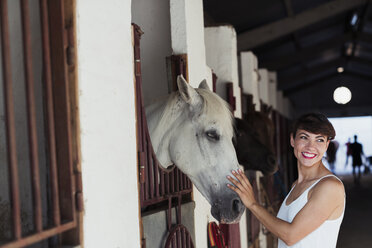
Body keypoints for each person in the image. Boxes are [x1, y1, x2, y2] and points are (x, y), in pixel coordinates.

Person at [227, 113, 345, 248]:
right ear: (292, 140)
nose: (311, 146)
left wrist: (253, 204)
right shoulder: (297, 185)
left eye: (319, 140)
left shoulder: (330, 186)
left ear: (326, 145)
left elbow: (290, 236)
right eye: (304, 137)